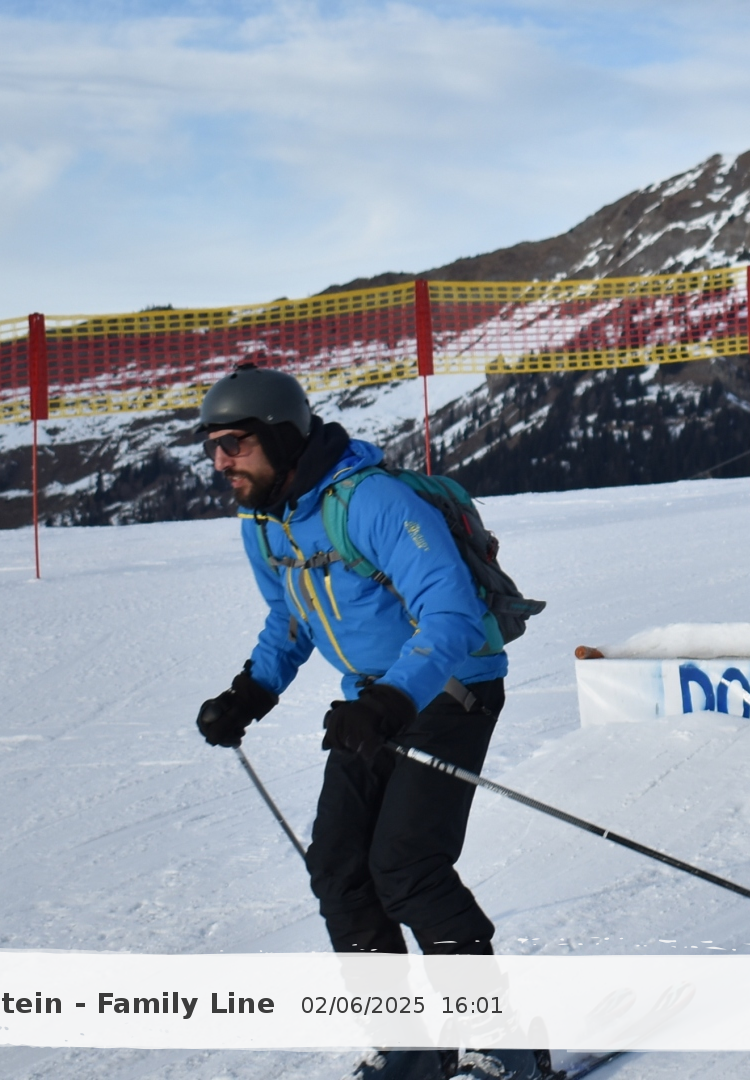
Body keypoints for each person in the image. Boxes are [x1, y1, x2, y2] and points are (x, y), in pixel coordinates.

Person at [191, 364, 545, 1080]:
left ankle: (502, 1043)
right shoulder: (264, 522)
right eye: (212, 446)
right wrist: (250, 692)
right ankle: (408, 1045)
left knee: (407, 866)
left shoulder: (373, 502)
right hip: (371, 702)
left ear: (281, 438)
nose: (221, 460)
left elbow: (450, 613)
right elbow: (291, 616)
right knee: (338, 867)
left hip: (451, 689)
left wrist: (389, 703)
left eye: (235, 443)